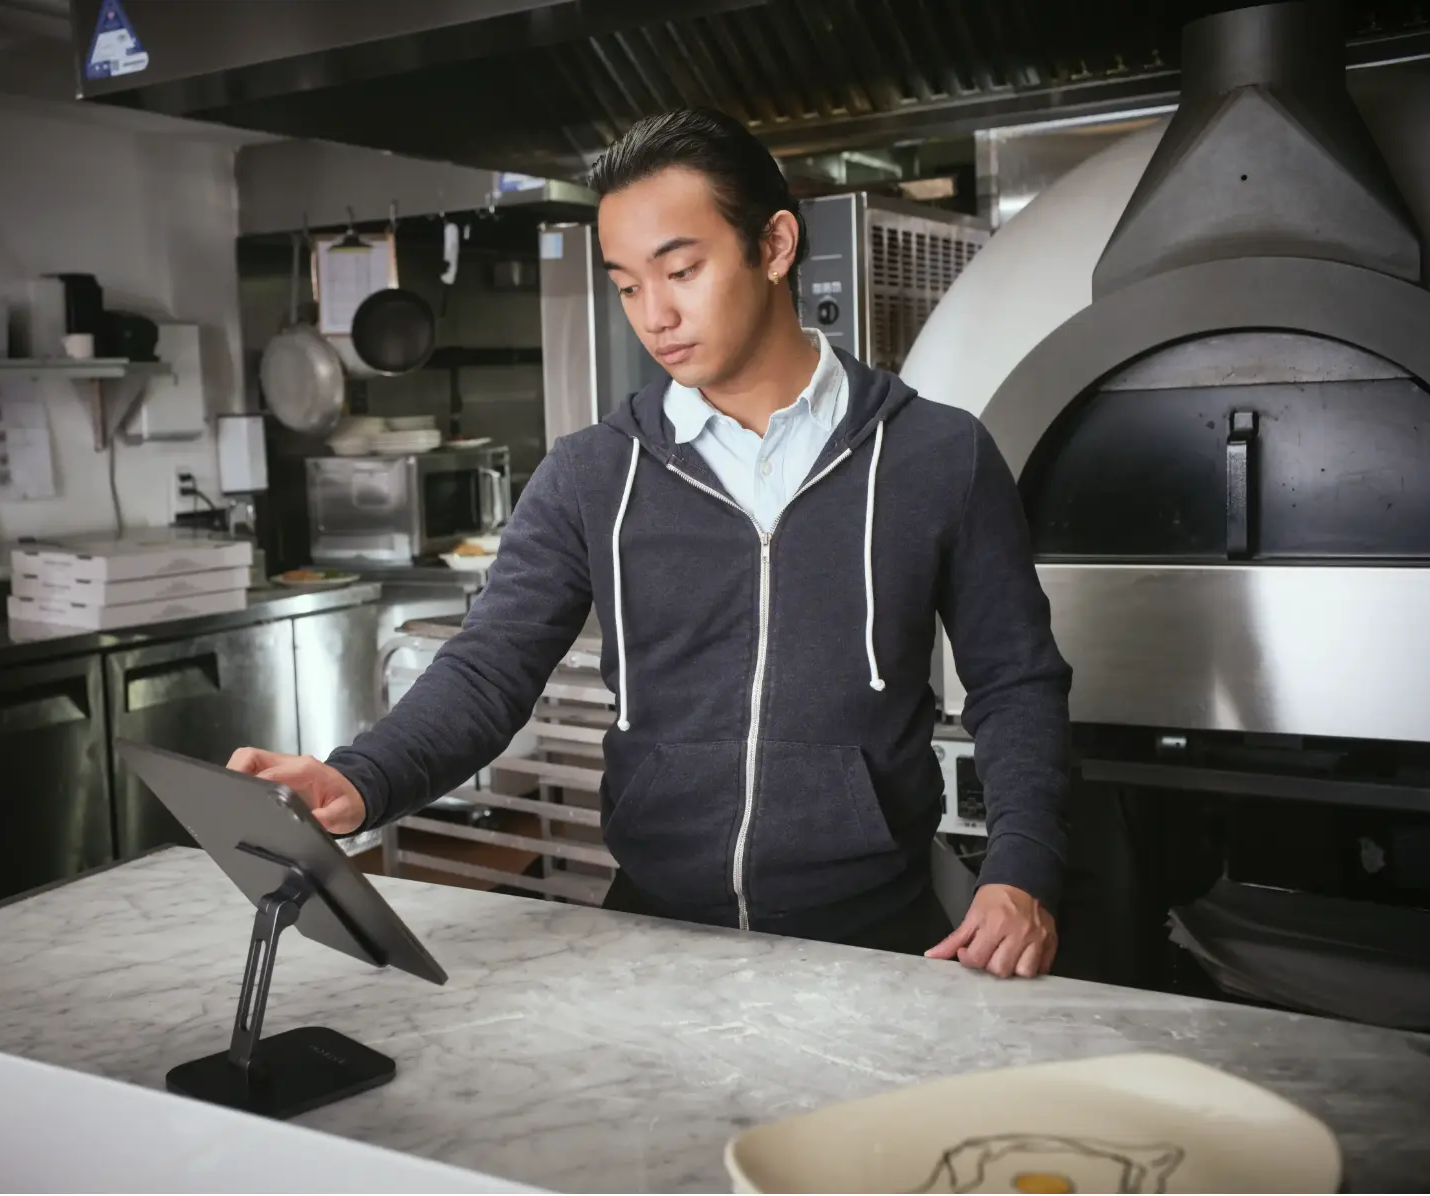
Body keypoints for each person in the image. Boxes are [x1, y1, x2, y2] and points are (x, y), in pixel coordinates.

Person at [230, 108, 1072, 978]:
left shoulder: (938, 455)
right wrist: (360, 778)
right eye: (628, 286)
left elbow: (1016, 681)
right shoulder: (593, 473)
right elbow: (489, 669)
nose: (654, 315)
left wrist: (1021, 869)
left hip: (880, 935)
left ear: (775, 245)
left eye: (682, 270)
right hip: (652, 932)